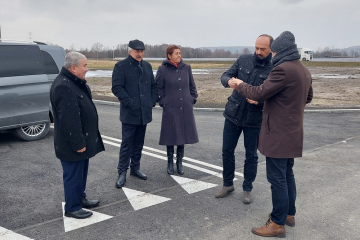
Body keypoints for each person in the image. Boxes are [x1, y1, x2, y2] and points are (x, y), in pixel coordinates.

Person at [232, 31, 313, 237]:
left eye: (274, 50)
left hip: (278, 134)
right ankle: (288, 214)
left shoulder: (282, 70)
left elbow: (259, 92)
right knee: (287, 174)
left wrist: (241, 85)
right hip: (293, 131)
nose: (272, 54)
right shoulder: (303, 70)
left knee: (277, 178)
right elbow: (307, 97)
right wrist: (278, 102)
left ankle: (277, 223)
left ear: (282, 50)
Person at [215, 34, 274, 204]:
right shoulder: (243, 59)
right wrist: (229, 81)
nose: (258, 51)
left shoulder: (274, 68)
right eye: (256, 47)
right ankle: (227, 184)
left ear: (270, 48)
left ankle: (247, 188)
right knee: (227, 150)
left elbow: (274, 96)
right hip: (233, 114)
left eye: (262, 49)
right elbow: (225, 75)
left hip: (254, 119)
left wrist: (260, 101)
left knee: (251, 155)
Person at [50, 51, 105, 219]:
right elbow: (68, 120)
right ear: (73, 68)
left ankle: (80, 198)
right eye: (85, 65)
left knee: (81, 172)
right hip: (72, 143)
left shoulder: (75, 82)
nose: (87, 69)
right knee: (73, 174)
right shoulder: (64, 86)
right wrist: (78, 143)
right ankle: (72, 207)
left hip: (83, 140)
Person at [112, 39, 157, 188]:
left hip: (144, 112)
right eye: (137, 51)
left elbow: (153, 86)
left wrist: (152, 101)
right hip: (130, 113)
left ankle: (135, 168)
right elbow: (117, 87)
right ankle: (122, 171)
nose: (140, 54)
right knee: (127, 144)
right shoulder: (121, 66)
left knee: (139, 143)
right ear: (130, 51)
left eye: (142, 51)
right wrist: (130, 103)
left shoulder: (147, 66)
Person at [156, 45, 199, 175]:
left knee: (182, 135)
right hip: (171, 108)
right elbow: (158, 88)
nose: (179, 55)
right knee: (171, 135)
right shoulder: (162, 69)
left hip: (185, 107)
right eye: (176, 53)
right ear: (169, 56)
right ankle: (170, 162)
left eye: (180, 53)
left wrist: (192, 98)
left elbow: (192, 86)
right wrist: (163, 102)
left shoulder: (187, 68)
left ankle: (179, 162)